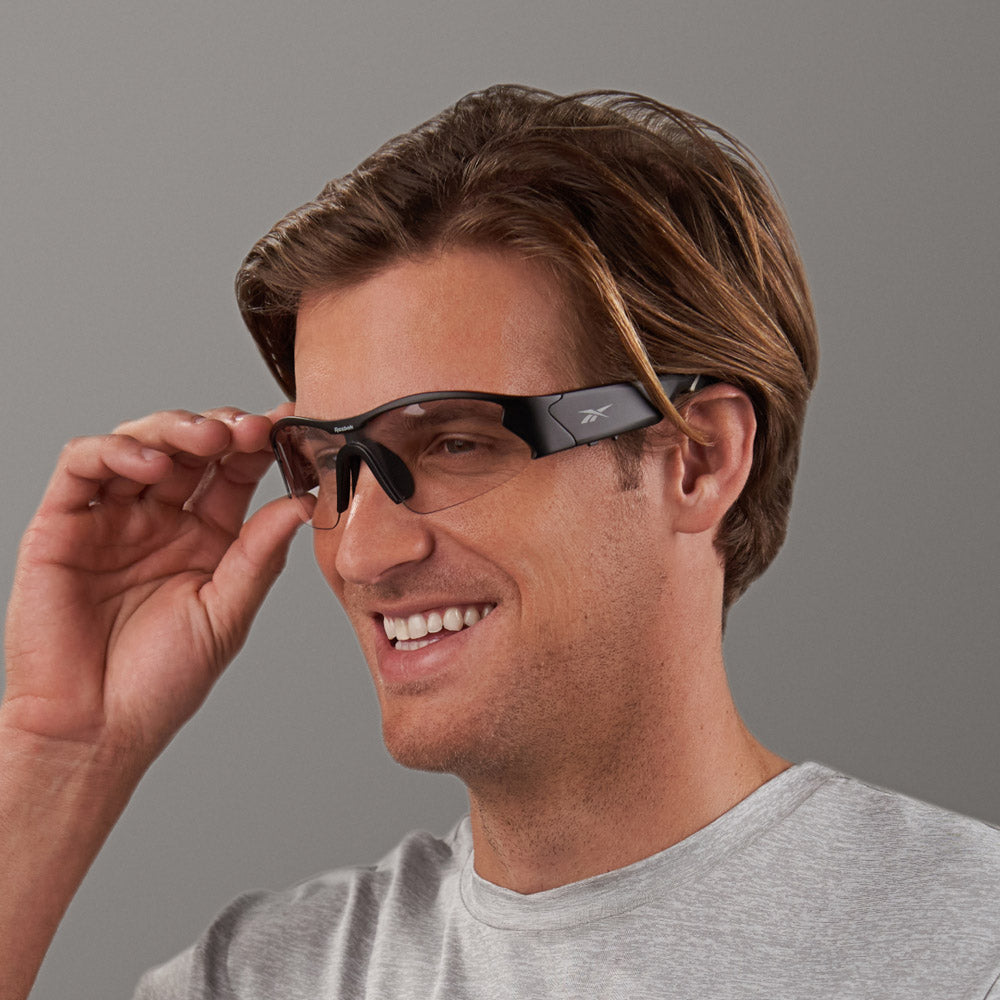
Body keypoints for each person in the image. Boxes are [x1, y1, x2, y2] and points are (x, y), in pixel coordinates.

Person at [1, 85, 997, 1000]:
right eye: (326, 462)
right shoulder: (266, 978)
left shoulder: (968, 946)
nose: (360, 552)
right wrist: (58, 752)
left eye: (454, 441)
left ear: (695, 458)